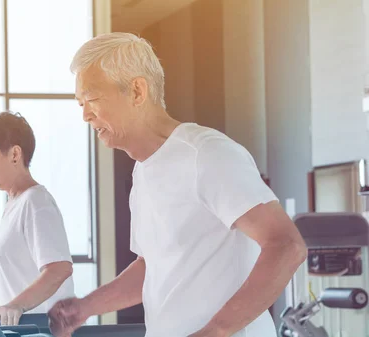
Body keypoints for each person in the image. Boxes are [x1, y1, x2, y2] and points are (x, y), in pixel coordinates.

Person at [47, 32, 307, 337]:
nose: (85, 115)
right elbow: (154, 266)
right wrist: (83, 308)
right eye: (80, 104)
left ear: (137, 91)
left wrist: (216, 332)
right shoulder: (143, 171)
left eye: (91, 100)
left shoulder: (207, 154)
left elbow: (286, 246)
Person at [0, 111, 75, 327]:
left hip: (39, 330)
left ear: (14, 155)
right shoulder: (14, 204)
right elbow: (16, 272)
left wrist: (16, 305)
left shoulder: (37, 202)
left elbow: (59, 269)